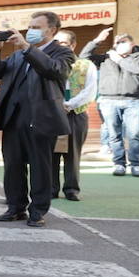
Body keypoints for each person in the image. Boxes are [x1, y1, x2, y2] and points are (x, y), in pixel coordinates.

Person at [0, 11, 75, 228]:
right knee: (13, 165)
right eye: (30, 26)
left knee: (40, 166)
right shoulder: (16, 55)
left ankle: (37, 211)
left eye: (36, 27)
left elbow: (53, 71)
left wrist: (27, 47)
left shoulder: (61, 53)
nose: (30, 30)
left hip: (41, 118)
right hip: (13, 118)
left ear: (51, 30)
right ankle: (15, 208)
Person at [81, 27, 139, 177]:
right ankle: (119, 163)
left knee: (134, 134)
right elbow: (84, 57)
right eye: (118, 42)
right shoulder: (106, 57)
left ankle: (136, 164)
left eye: (124, 42)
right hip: (108, 100)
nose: (120, 44)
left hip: (133, 101)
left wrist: (119, 59)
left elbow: (137, 69)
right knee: (114, 135)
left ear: (132, 44)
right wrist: (97, 41)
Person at [51, 30, 97, 202]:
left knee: (73, 153)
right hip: (52, 114)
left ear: (72, 45)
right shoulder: (49, 64)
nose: (58, 45)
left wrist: (69, 105)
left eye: (62, 43)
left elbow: (90, 91)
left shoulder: (86, 65)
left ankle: (71, 189)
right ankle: (51, 188)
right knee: (51, 153)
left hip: (75, 114)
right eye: (55, 42)